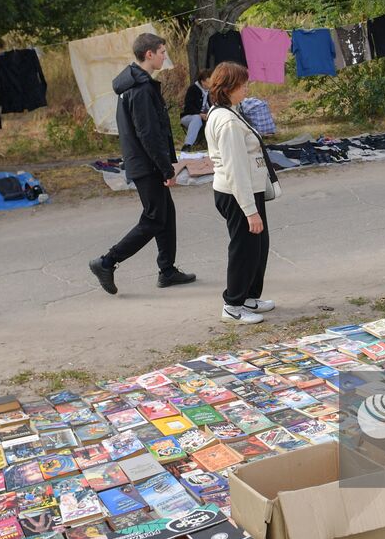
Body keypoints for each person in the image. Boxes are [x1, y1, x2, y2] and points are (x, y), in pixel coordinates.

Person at [89, 33, 196, 295]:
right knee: (154, 219)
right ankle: (107, 262)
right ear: (148, 54)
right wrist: (166, 168)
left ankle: (167, 270)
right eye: (161, 51)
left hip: (145, 162)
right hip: (146, 164)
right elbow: (149, 133)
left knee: (165, 216)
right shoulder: (141, 88)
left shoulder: (135, 84)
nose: (164, 56)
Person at [205, 62, 277, 324]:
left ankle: (248, 296)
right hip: (237, 194)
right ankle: (232, 305)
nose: (247, 87)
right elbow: (235, 169)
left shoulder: (231, 112)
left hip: (249, 190)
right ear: (228, 88)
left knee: (258, 246)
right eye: (243, 83)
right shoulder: (227, 122)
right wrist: (250, 210)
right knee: (244, 249)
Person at [180, 67, 213, 149]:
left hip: (202, 117)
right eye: (209, 83)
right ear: (202, 82)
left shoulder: (207, 91)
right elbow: (189, 107)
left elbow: (209, 106)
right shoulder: (193, 89)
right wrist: (200, 114)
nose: (211, 85)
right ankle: (187, 145)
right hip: (188, 117)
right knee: (196, 118)